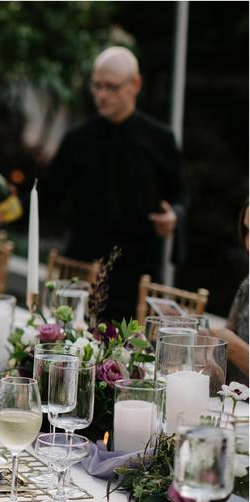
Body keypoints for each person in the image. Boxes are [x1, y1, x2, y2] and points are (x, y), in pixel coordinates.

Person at [44, 46, 186, 321]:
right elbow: (48, 195)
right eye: (97, 86)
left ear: (135, 84)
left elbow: (180, 195)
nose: (101, 95)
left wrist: (173, 217)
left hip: (138, 269)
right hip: (84, 267)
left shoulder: (160, 138)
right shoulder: (77, 139)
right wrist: (8, 211)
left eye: (111, 87)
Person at [210, 200, 249, 385]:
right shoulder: (247, 286)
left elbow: (228, 340)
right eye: (247, 231)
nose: (248, 244)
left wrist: (232, 346)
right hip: (235, 405)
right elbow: (224, 341)